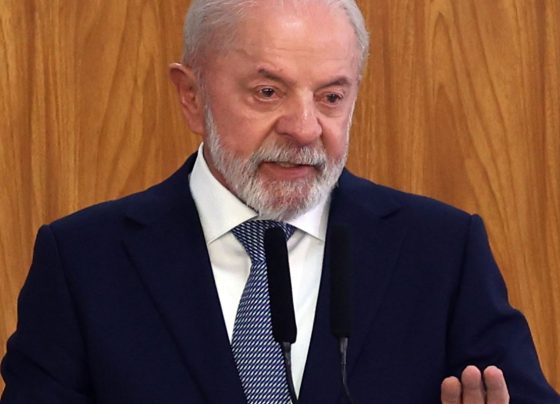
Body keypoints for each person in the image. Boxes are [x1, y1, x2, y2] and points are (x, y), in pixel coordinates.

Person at [1, 0, 559, 403]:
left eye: (331, 96)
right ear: (191, 96)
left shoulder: (440, 250)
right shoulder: (83, 261)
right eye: (268, 92)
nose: (304, 127)